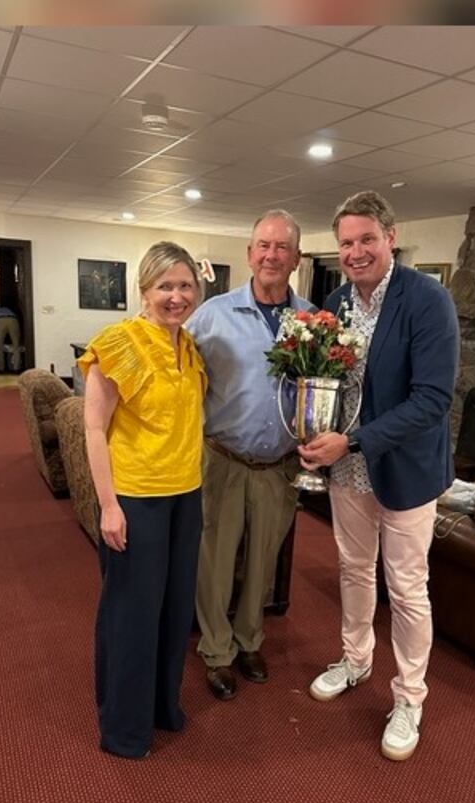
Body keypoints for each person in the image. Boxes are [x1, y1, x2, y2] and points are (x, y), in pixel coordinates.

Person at [297, 190, 459, 761]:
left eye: (367, 239)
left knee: (408, 589)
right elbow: (323, 377)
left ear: (391, 238)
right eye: (346, 242)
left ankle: (410, 695)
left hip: (406, 469)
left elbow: (433, 398)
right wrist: (313, 428)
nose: (356, 251)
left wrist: (356, 438)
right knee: (352, 568)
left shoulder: (427, 299)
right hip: (347, 469)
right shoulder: (337, 303)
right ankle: (356, 659)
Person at [78, 241, 208, 759]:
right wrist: (108, 506)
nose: (175, 297)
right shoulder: (118, 343)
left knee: (175, 612)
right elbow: (93, 428)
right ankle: (124, 729)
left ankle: (161, 707)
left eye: (184, 286)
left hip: (186, 495)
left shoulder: (188, 344)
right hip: (137, 498)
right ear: (144, 290)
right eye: (165, 287)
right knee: (131, 614)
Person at [183, 211, 314, 701]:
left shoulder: (313, 320)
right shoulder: (212, 314)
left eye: (282, 247)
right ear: (249, 254)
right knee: (214, 563)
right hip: (222, 459)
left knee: (262, 561)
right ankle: (216, 651)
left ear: (297, 258)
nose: (271, 255)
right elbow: (174, 364)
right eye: (263, 245)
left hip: (280, 466)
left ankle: (249, 640)